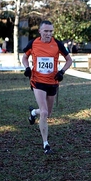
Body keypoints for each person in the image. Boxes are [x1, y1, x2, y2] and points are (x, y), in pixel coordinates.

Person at [22, 20, 73, 154]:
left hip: (52, 82)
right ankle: (46, 144)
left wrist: (62, 72)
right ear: (40, 31)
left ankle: (33, 113)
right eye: (46, 31)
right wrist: (27, 68)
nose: (48, 34)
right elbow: (24, 57)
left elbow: (69, 60)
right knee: (44, 112)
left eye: (50, 31)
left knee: (47, 113)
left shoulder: (58, 44)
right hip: (37, 81)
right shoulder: (33, 43)